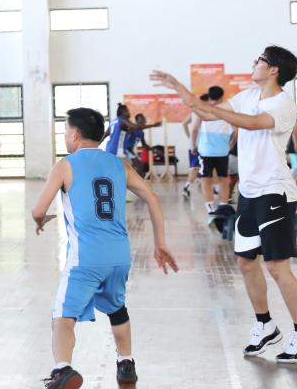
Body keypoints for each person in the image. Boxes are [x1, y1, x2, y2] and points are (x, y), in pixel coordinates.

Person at [152, 46, 297, 364]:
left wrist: (217, 113)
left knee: (277, 267)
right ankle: (265, 325)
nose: (254, 63)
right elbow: (206, 112)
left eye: (260, 60)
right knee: (246, 262)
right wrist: (177, 86)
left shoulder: (283, 104)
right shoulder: (247, 96)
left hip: (274, 193)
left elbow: (254, 123)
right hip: (249, 193)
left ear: (273, 70)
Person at [32, 107, 178, 389]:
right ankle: (126, 362)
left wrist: (40, 220)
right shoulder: (120, 164)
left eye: (65, 132)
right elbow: (152, 198)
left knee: (63, 316)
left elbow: (38, 209)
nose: (65, 137)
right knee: (117, 308)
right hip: (119, 256)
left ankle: (62, 369)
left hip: (86, 257)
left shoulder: (65, 165)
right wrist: (160, 242)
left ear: (75, 135)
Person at [192, 86, 235, 216]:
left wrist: (193, 145)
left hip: (206, 151)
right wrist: (232, 142)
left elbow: (194, 129)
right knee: (223, 179)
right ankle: (223, 205)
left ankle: (210, 207)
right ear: (222, 97)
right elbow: (236, 129)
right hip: (222, 151)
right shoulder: (228, 110)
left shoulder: (203, 110)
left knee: (206, 179)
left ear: (209, 96)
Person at [181, 95, 209, 198]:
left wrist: (190, 139)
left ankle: (213, 188)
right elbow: (193, 129)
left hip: (196, 144)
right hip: (198, 145)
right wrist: (192, 140)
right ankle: (186, 187)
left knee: (200, 167)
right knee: (195, 168)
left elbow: (184, 123)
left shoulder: (194, 112)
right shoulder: (202, 113)